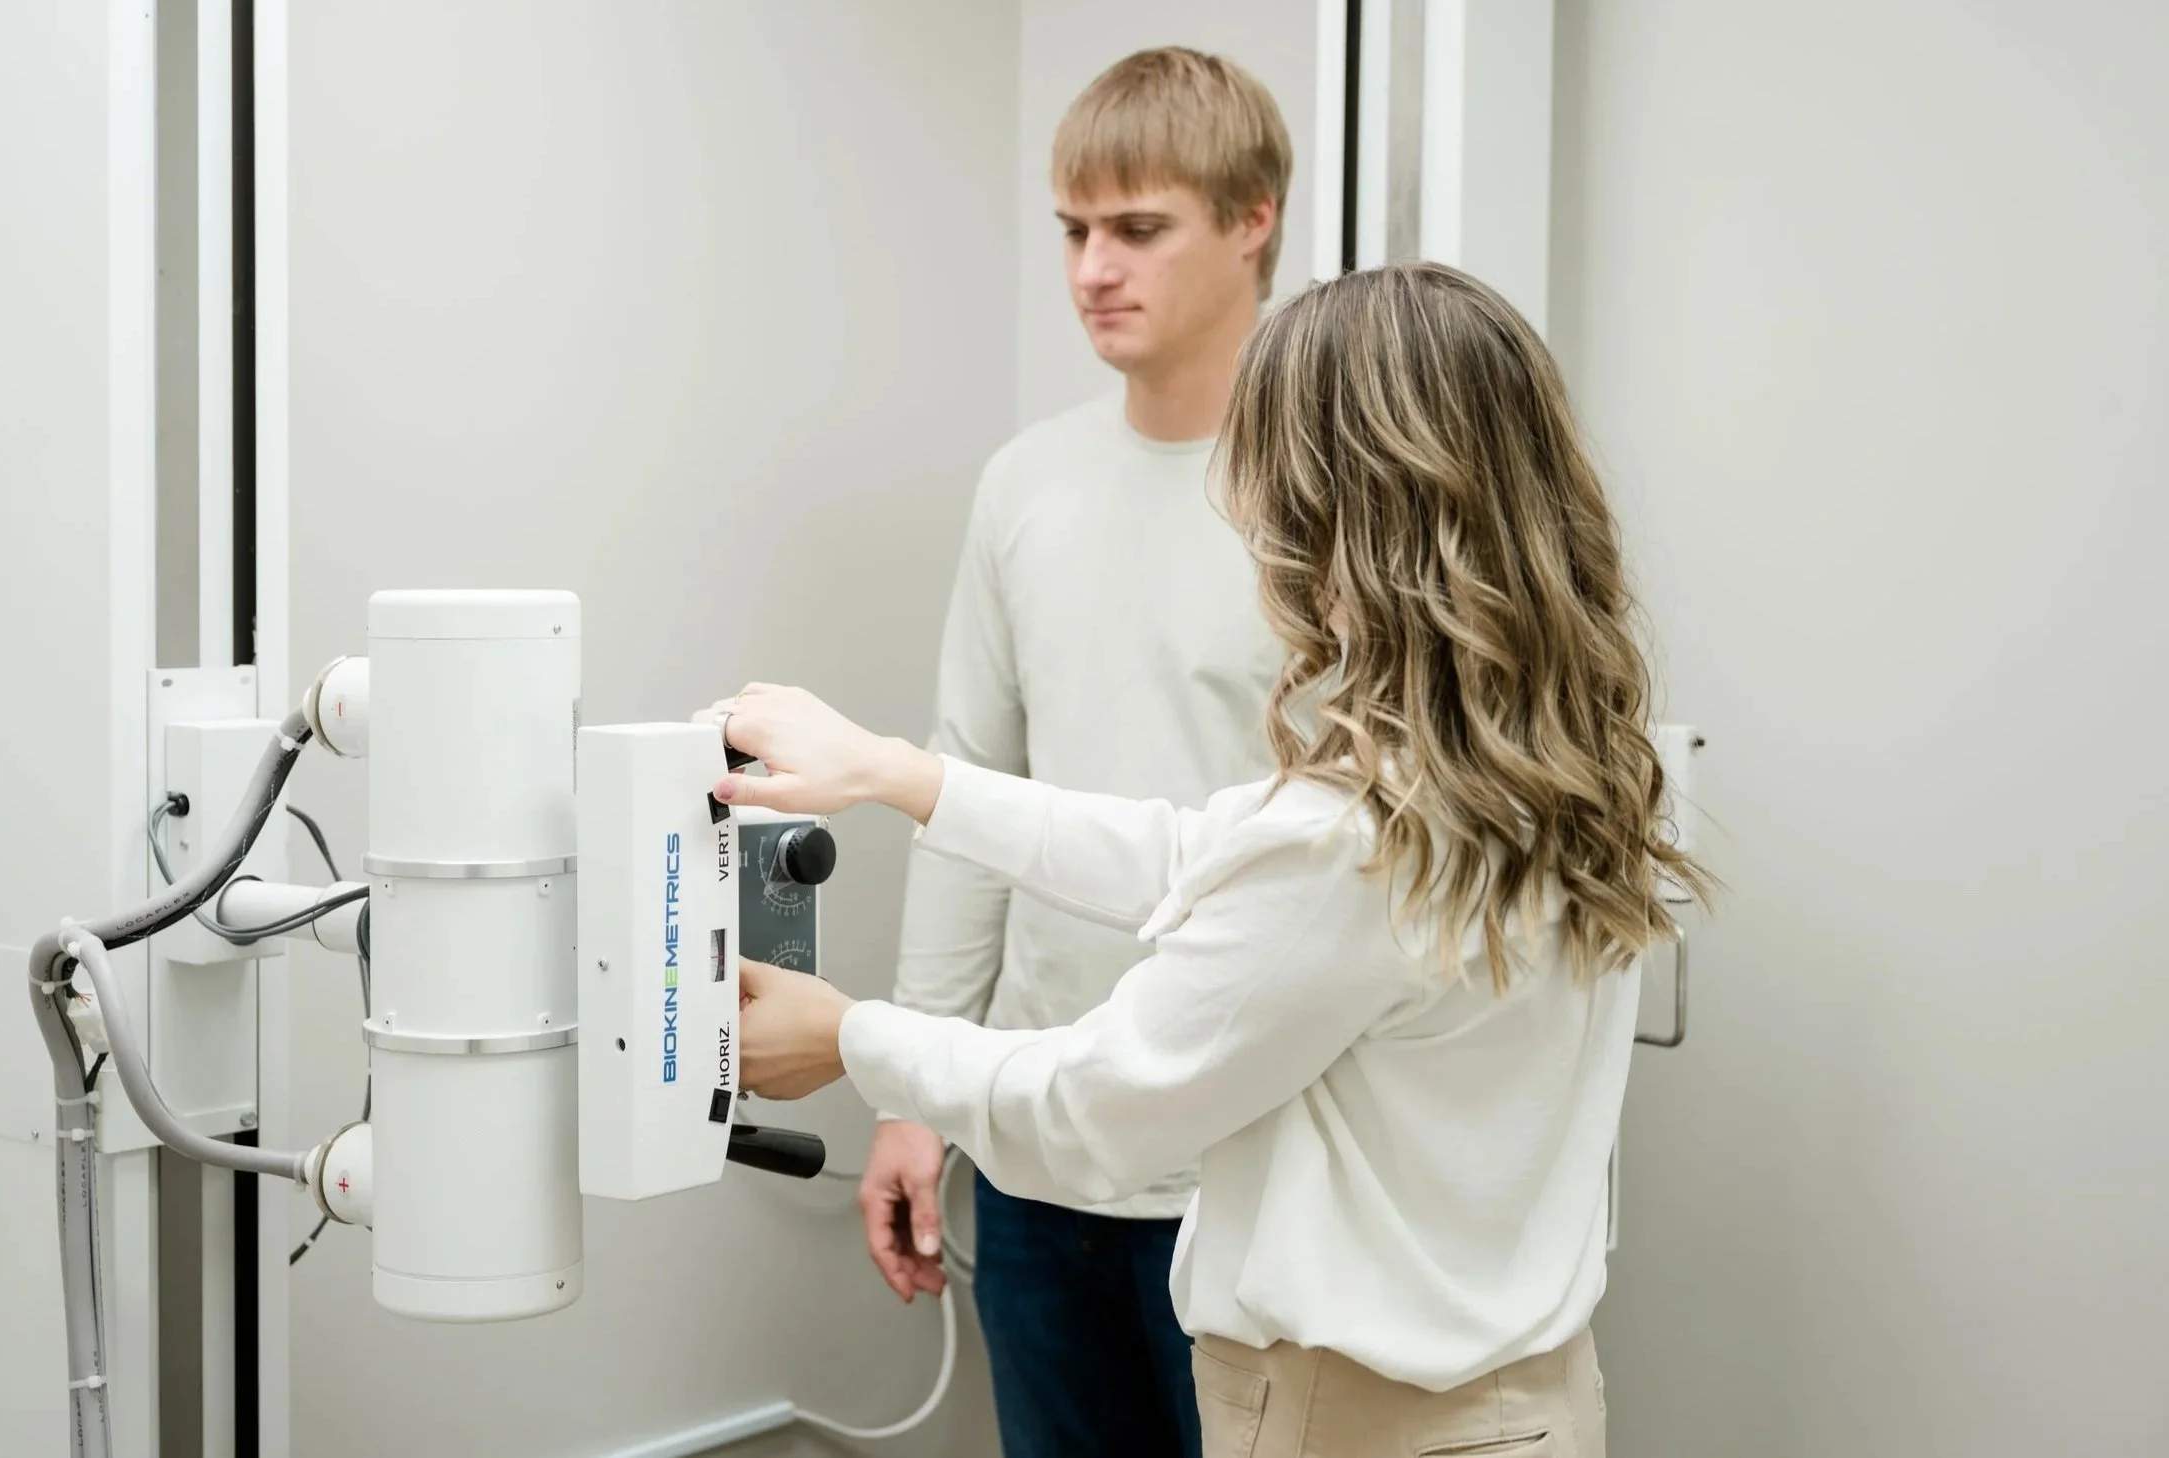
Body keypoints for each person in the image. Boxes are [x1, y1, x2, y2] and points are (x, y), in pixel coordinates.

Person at [713, 262, 1712, 1458]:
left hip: (1359, 1427)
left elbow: (1096, 1110)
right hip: (1531, 1407)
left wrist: (847, 1039)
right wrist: (900, 775)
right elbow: (1198, 856)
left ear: (1335, 509)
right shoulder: (1566, 761)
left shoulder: (1355, 840)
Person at [859, 45, 1294, 1458]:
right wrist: (918, 1088)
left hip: (1251, 1162)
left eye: (1137, 228)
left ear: (1252, 218)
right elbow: (964, 782)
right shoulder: (1026, 484)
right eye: (1072, 231)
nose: (1092, 269)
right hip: (1036, 1148)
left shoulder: (1332, 497)